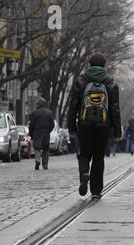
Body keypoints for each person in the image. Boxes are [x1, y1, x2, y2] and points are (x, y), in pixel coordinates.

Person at [68, 53, 121, 199]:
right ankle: (96, 190)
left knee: (84, 155)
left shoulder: (80, 81)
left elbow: (73, 106)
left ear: (89, 64)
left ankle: (85, 173)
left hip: (84, 125)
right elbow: (115, 109)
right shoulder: (110, 83)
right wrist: (117, 131)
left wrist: (71, 128)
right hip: (103, 126)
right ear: (105, 65)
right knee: (99, 157)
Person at [29, 97, 55, 170]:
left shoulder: (34, 113)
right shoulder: (49, 113)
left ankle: (37, 161)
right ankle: (45, 164)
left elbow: (31, 125)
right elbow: (52, 125)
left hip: (37, 132)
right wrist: (48, 130)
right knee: (46, 149)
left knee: (37, 148)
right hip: (46, 133)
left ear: (38, 105)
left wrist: (31, 134)